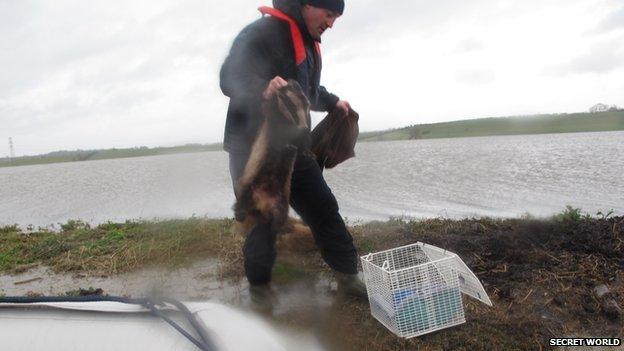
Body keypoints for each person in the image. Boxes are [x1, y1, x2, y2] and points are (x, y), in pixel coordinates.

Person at [219, 0, 366, 306]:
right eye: (329, 15)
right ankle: (260, 294)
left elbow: (307, 91)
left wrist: (333, 101)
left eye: (336, 18)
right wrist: (263, 86)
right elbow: (228, 77)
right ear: (308, 5)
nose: (331, 24)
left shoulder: (310, 44)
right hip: (253, 148)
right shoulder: (262, 32)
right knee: (264, 219)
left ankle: (349, 278)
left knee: (323, 207)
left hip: (293, 147)